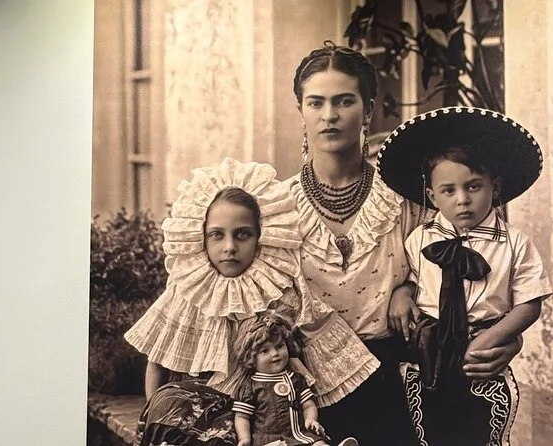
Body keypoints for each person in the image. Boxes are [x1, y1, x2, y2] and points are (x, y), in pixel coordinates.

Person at [284, 40, 525, 446]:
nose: (329, 115)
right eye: (316, 103)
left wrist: (507, 337)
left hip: (399, 386)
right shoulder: (276, 209)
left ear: (368, 110)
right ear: (301, 110)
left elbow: (479, 274)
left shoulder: (409, 200)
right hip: (305, 389)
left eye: (344, 101)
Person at [124, 158, 378, 446]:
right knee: (170, 403)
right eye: (217, 235)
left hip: (261, 414)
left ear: (260, 237)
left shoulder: (278, 290)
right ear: (201, 238)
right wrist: (155, 421)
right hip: (200, 414)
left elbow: (303, 357)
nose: (230, 247)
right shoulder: (187, 290)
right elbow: (157, 365)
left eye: (242, 235)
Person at [377, 106, 553, 445]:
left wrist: (495, 337)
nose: (462, 200)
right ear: (432, 196)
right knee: (430, 429)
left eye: (473, 187)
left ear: (494, 187)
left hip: (481, 346)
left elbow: (530, 303)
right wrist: (403, 292)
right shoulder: (419, 238)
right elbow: (411, 278)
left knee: (481, 429)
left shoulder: (515, 243)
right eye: (449, 191)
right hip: (428, 349)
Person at [231, 312, 358, 446]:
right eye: (265, 351)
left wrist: (310, 420)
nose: (275, 354)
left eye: (279, 346)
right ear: (251, 358)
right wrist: (244, 439)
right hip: (269, 440)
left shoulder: (296, 379)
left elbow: (308, 405)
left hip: (298, 434)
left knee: (318, 443)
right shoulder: (250, 386)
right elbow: (242, 416)